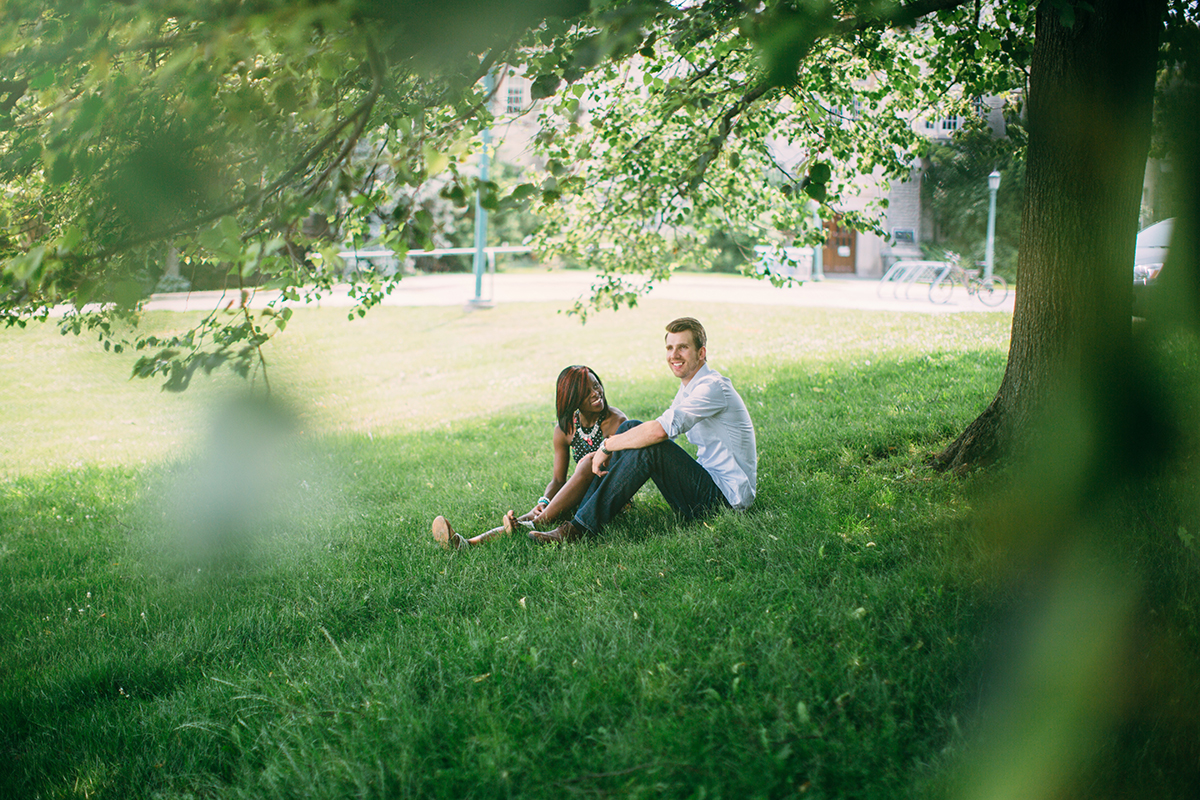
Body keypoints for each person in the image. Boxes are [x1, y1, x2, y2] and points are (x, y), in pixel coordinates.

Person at [531, 316, 756, 543]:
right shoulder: (689, 388)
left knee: (651, 447)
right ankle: (579, 514)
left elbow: (660, 432)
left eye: (683, 347)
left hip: (727, 500)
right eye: (670, 348)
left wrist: (606, 446)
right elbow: (657, 430)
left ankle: (579, 528)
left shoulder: (711, 388)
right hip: (705, 486)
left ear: (701, 353)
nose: (674, 355)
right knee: (631, 428)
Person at [432, 365, 627, 549]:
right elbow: (558, 480)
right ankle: (467, 543)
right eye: (587, 391)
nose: (596, 392)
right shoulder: (564, 430)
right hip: (580, 492)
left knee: (586, 466)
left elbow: (615, 472)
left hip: (608, 495)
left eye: (596, 385)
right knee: (533, 514)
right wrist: (543, 501)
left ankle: (533, 523)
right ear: (572, 398)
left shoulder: (616, 422)